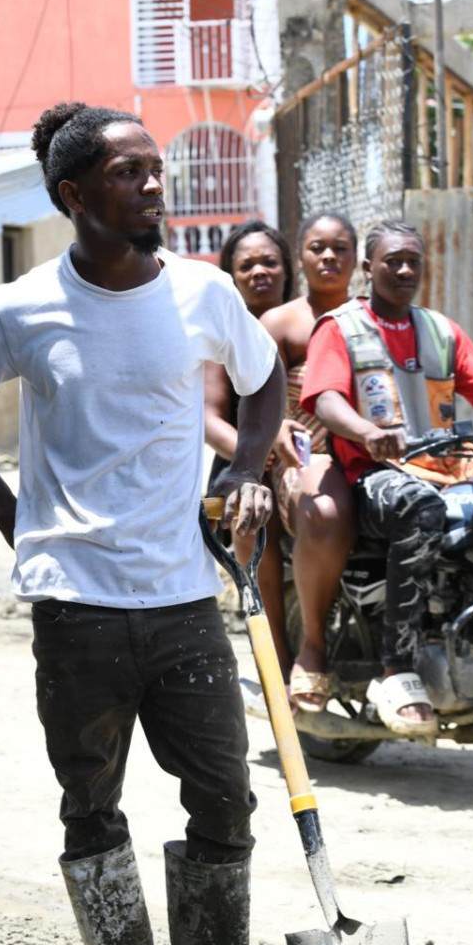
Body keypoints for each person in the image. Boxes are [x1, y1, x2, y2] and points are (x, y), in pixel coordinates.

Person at [0, 101, 295, 945]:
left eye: (155, 168)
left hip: (183, 598)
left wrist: (245, 469)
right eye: (129, 173)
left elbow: (263, 383)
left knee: (225, 797)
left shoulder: (204, 292)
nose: (153, 185)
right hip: (76, 604)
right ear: (74, 195)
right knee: (89, 802)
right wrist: (14, 519)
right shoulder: (21, 307)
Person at [301, 220, 473, 736]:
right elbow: (325, 399)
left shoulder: (440, 330)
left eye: (412, 261)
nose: (403, 270)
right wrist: (366, 432)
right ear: (368, 268)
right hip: (377, 473)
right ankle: (397, 667)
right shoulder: (340, 327)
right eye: (392, 260)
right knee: (420, 507)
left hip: (448, 469)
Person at [259, 212, 359, 712]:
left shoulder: (370, 319)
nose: (329, 257)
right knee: (323, 508)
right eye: (317, 247)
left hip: (370, 458)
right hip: (303, 458)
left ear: (358, 260)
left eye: (340, 248)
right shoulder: (280, 323)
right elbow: (259, 402)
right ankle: (311, 647)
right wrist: (276, 433)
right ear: (300, 257)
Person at [204, 220, 295, 682]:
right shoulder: (222, 335)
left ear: (287, 270)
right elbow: (209, 419)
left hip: (306, 461)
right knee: (253, 521)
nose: (259, 271)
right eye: (247, 265)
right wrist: (254, 457)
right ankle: (275, 660)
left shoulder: (309, 323)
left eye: (269, 262)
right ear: (231, 276)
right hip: (244, 465)